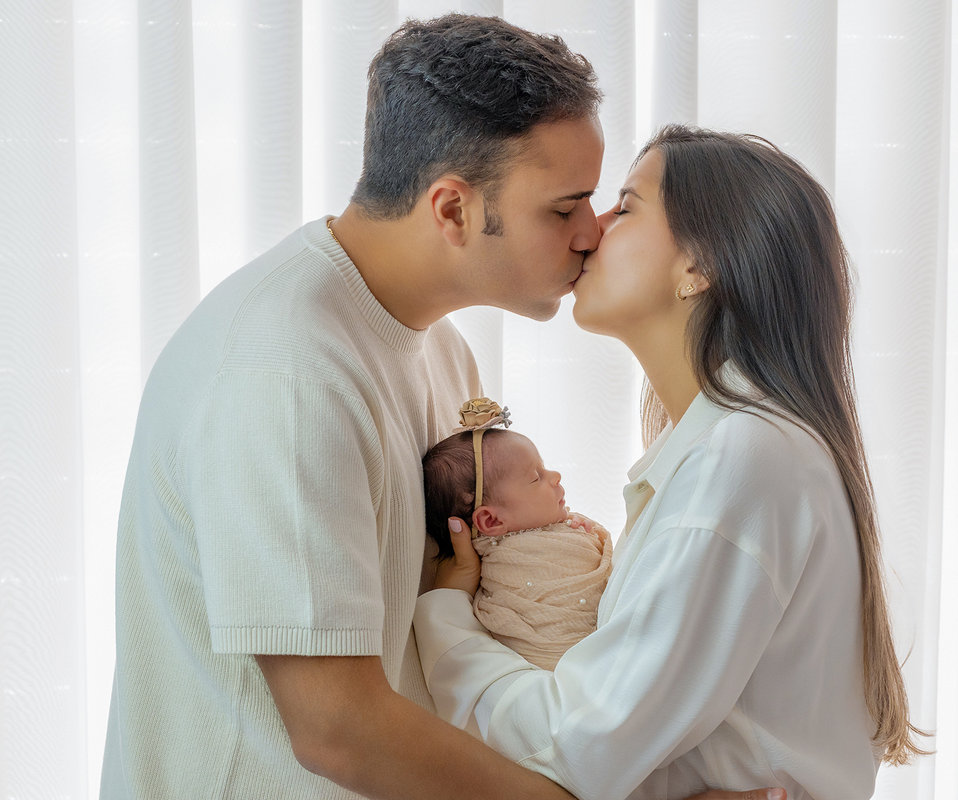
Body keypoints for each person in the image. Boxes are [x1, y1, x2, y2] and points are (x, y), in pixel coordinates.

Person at [100, 11, 783, 800]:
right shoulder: (284, 373)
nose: (592, 234)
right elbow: (335, 727)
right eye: (564, 208)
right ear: (453, 209)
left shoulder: (440, 350)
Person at [414, 126, 930, 800]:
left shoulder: (742, 458)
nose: (591, 229)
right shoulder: (738, 450)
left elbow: (579, 747)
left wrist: (445, 619)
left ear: (699, 265)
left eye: (625, 208)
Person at [422, 398, 612, 671]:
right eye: (536, 477)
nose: (555, 476)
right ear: (491, 520)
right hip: (562, 669)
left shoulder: (557, 526)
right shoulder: (511, 563)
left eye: (544, 468)